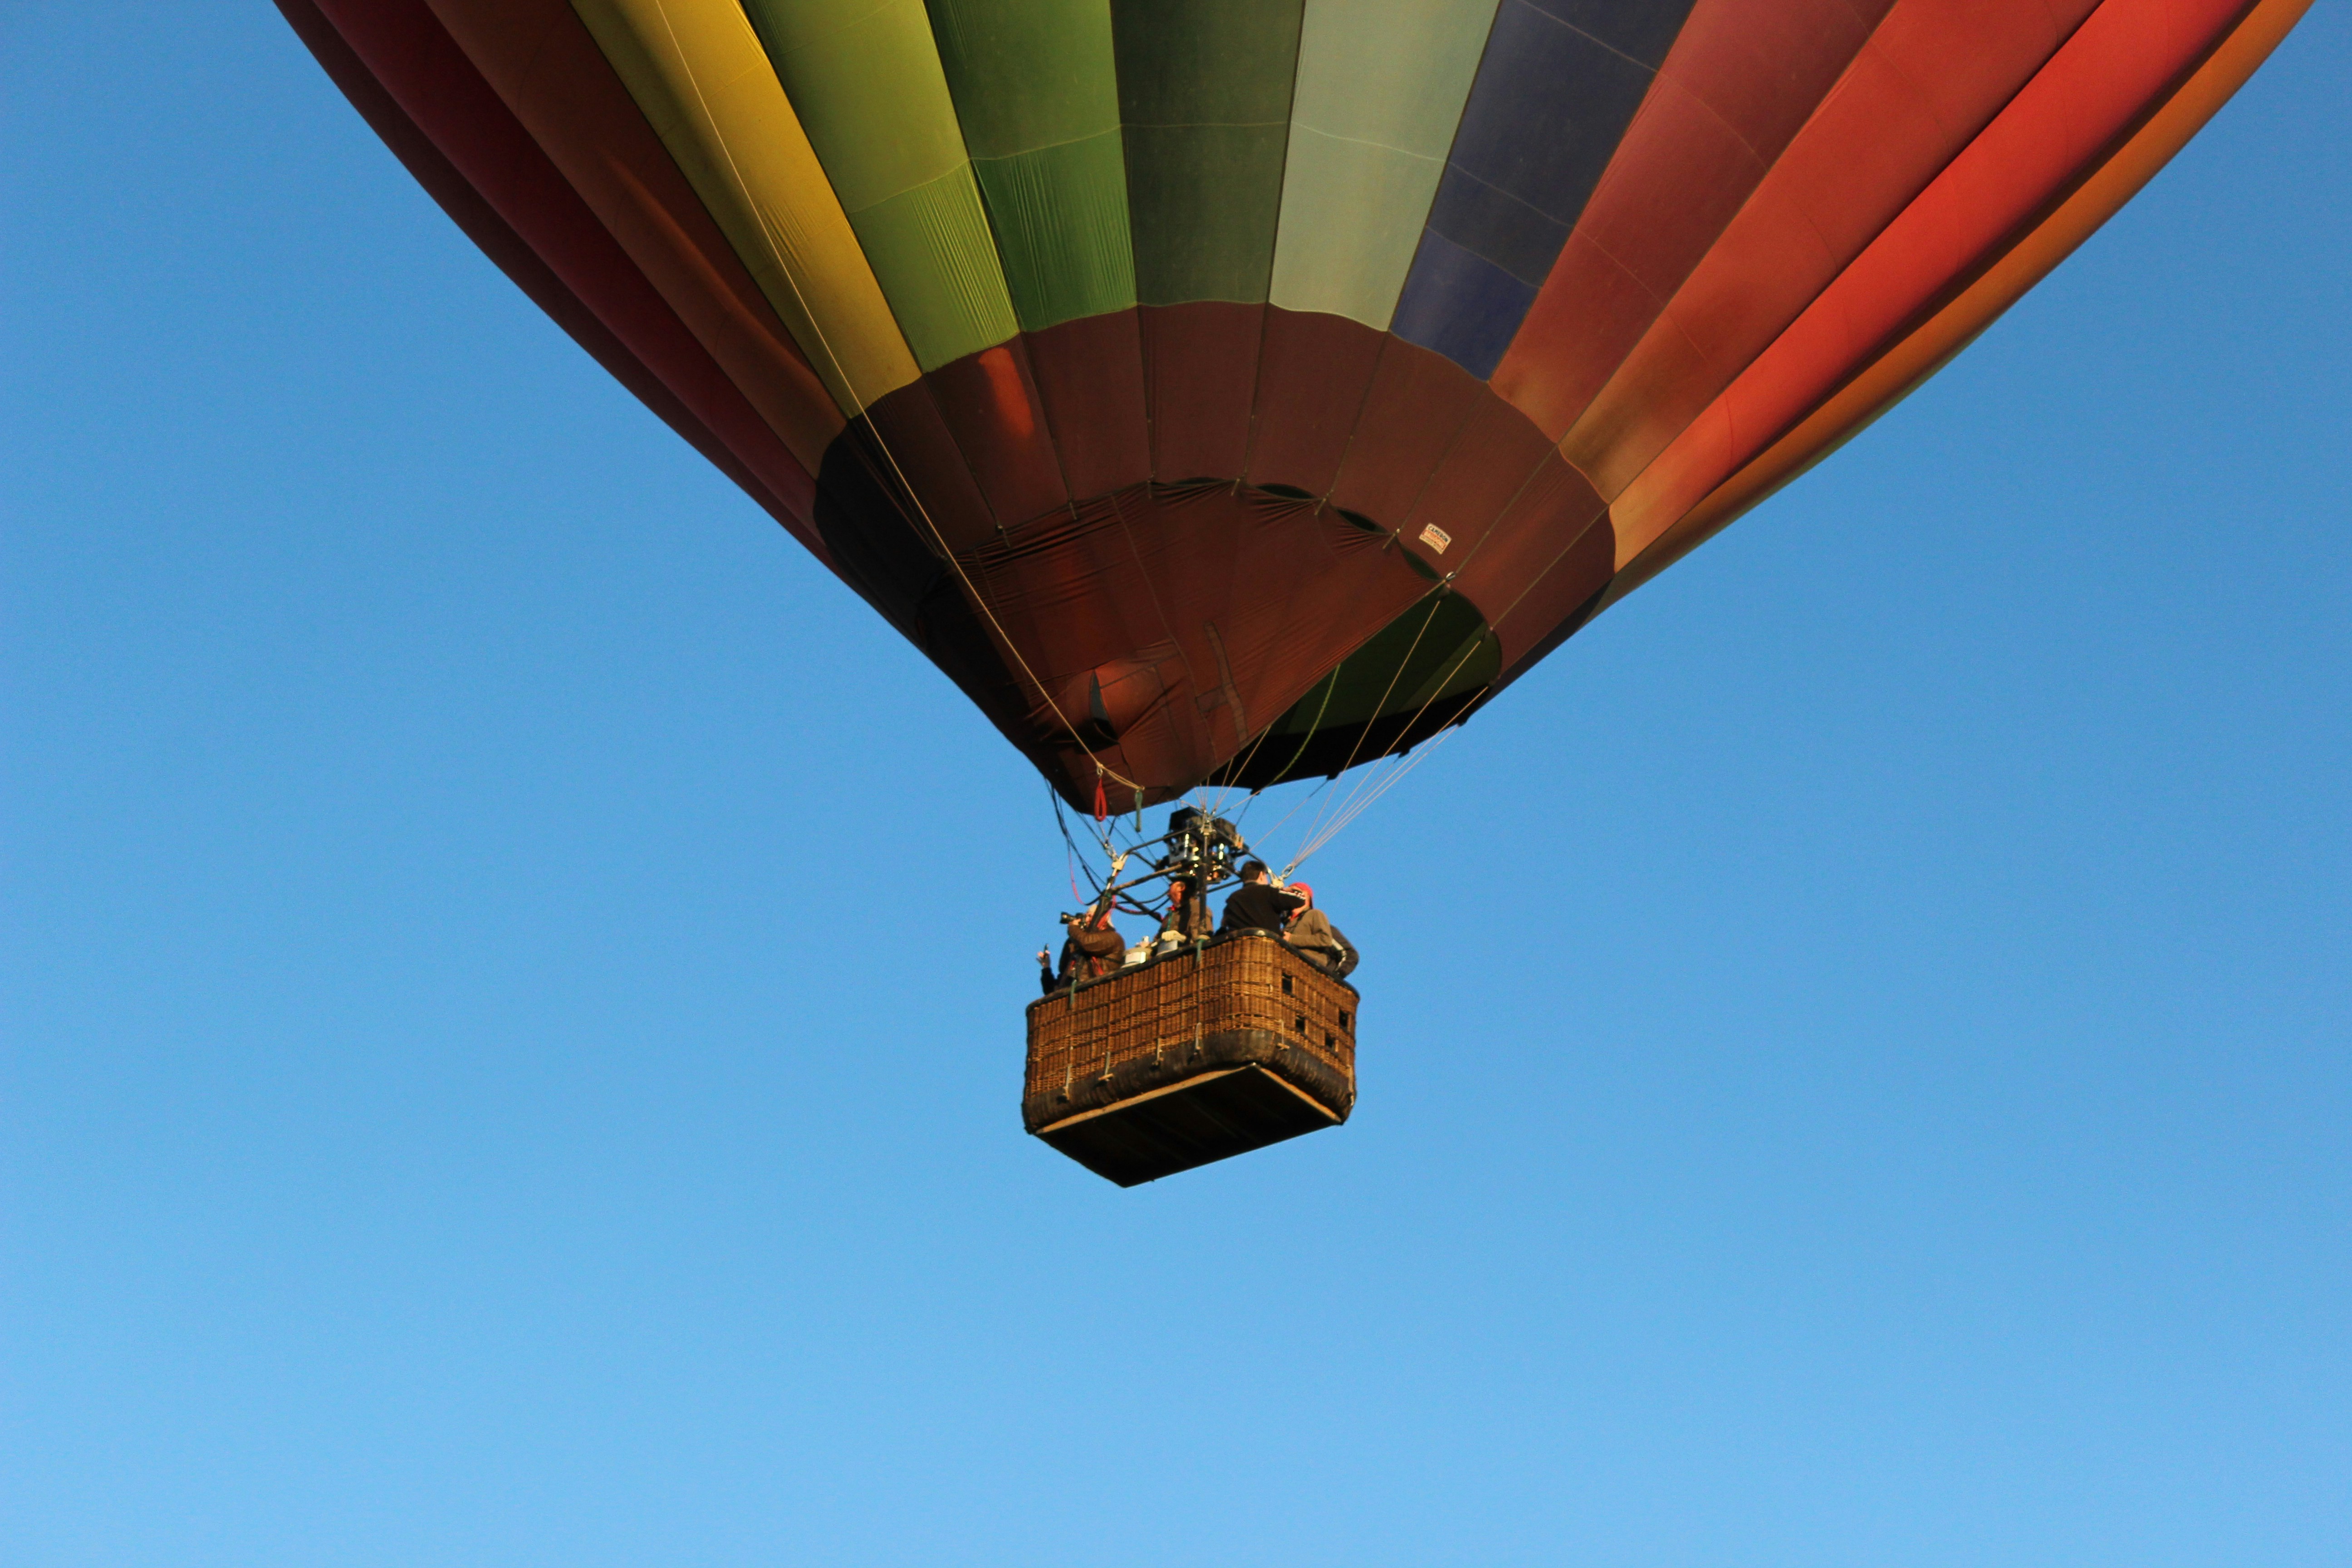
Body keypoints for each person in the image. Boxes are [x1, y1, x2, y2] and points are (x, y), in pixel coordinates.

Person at [1039, 901, 1123, 994]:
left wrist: (1073, 928)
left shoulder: (1113, 938)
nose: (1086, 920)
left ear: (1103, 920)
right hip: (1075, 1000)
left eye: (1090, 916)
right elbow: (1054, 990)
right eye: (1086, 916)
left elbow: (1087, 943)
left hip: (1097, 993)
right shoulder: (1078, 945)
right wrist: (1046, 968)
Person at [1280, 882, 1359, 979]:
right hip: (1289, 972)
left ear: (1306, 895)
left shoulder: (1314, 915)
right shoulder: (1287, 925)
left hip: (1310, 971)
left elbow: (1326, 940)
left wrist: (1336, 977)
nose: (1290, 895)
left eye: (1294, 891)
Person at [1218, 859, 1304, 935]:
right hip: (1267, 945)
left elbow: (1224, 923)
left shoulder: (1233, 898)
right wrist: (1290, 889)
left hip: (1240, 947)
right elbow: (1300, 900)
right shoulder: (1269, 891)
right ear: (1261, 875)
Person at [1158, 875, 1213, 943]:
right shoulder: (1171, 914)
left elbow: (1200, 940)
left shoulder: (1196, 908)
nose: (1168, 891)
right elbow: (1158, 939)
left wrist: (1180, 938)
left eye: (1172, 885)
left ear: (1181, 888)